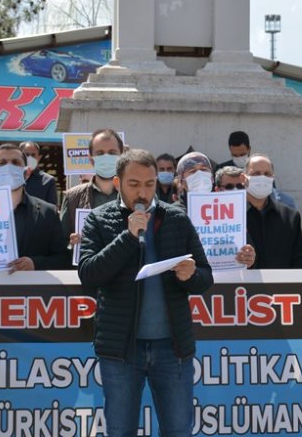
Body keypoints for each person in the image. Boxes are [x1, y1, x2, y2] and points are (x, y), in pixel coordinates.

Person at [78, 149, 213, 437]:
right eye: (134, 184)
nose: (143, 192)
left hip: (172, 348)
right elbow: (89, 275)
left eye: (150, 184)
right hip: (121, 350)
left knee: (178, 429)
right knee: (120, 429)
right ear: (118, 183)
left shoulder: (176, 218)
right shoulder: (99, 219)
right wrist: (127, 237)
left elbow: (205, 277)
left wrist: (192, 275)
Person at [60, 129, 123, 268]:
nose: (106, 157)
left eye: (112, 153)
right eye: (100, 153)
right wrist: (71, 244)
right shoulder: (72, 197)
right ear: (90, 159)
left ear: (122, 156)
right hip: (89, 274)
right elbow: (59, 244)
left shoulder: (133, 195)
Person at [242, 154, 302, 269]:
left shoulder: (290, 216)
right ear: (244, 178)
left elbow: (299, 261)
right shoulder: (233, 215)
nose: (262, 178)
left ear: (273, 178)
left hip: (281, 285)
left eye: (267, 174)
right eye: (256, 174)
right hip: (240, 286)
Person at [19, 140, 59, 206]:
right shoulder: (11, 179)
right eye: (27, 154)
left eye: (33, 155)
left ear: (38, 158)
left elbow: (52, 209)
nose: (30, 158)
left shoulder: (48, 181)